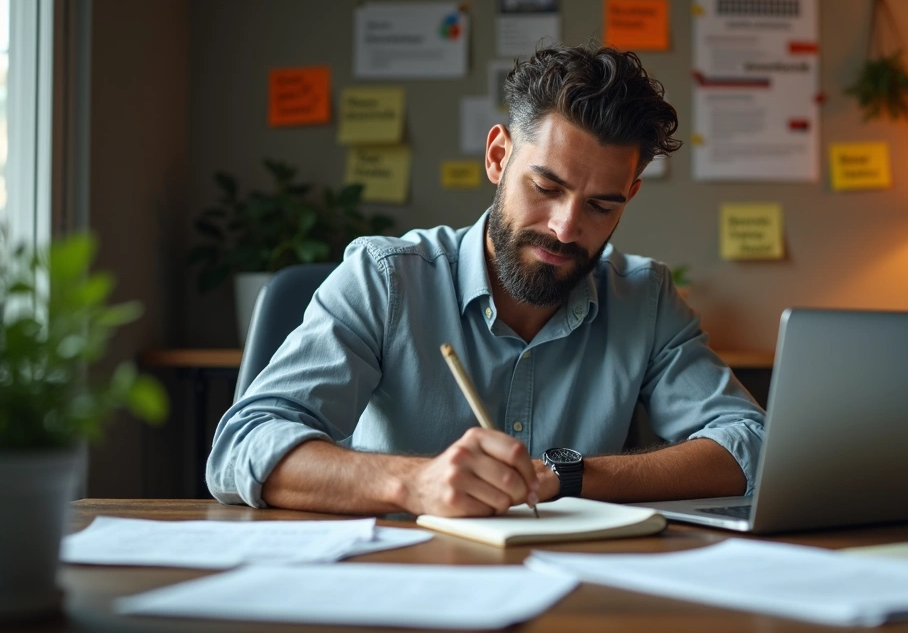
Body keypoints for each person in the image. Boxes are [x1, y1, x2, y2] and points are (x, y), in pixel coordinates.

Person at [206, 43, 766, 517]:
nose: (566, 228)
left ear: (630, 197)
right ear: (498, 156)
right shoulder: (387, 279)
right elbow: (243, 445)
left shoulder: (645, 299)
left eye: (600, 205)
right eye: (546, 188)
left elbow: (753, 446)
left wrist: (565, 476)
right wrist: (414, 484)